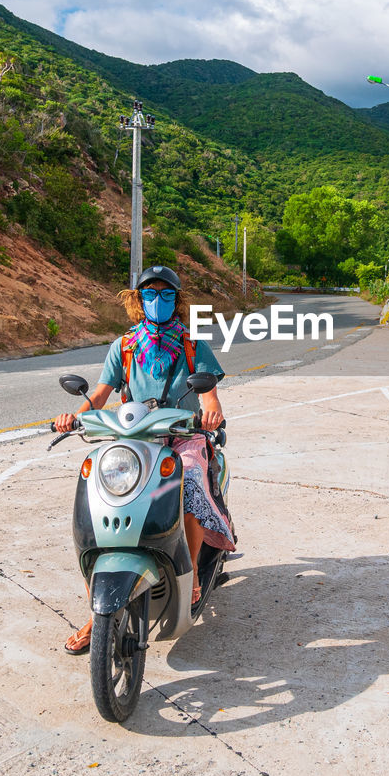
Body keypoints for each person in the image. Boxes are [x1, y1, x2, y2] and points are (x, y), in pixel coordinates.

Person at [53, 265, 235, 655]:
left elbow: (209, 395)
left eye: (165, 294)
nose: (157, 300)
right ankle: (96, 611)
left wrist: (212, 413)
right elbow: (100, 394)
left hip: (183, 436)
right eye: (149, 294)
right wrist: (74, 415)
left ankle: (190, 577)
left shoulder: (192, 345)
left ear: (177, 300)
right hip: (134, 435)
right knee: (99, 491)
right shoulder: (124, 346)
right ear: (138, 300)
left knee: (187, 478)